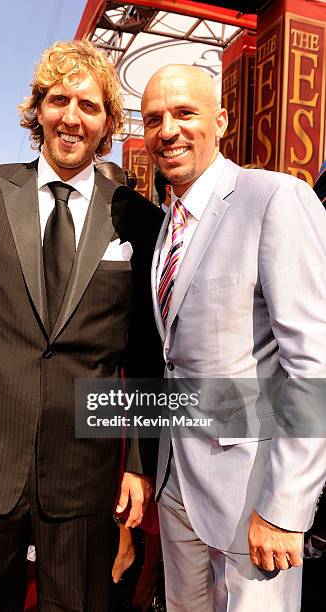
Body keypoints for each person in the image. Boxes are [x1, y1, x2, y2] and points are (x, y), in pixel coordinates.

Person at [0, 40, 162, 611]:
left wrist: (137, 463)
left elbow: (145, 353)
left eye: (89, 104)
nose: (72, 117)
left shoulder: (136, 215)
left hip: (86, 468)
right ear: (38, 110)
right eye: (59, 100)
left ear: (107, 123)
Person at [141, 64, 326, 611]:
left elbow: (311, 363)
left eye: (184, 113)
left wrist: (286, 507)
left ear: (220, 121)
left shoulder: (274, 198)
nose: (167, 130)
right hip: (176, 483)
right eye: (154, 119)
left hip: (252, 493)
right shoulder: (167, 223)